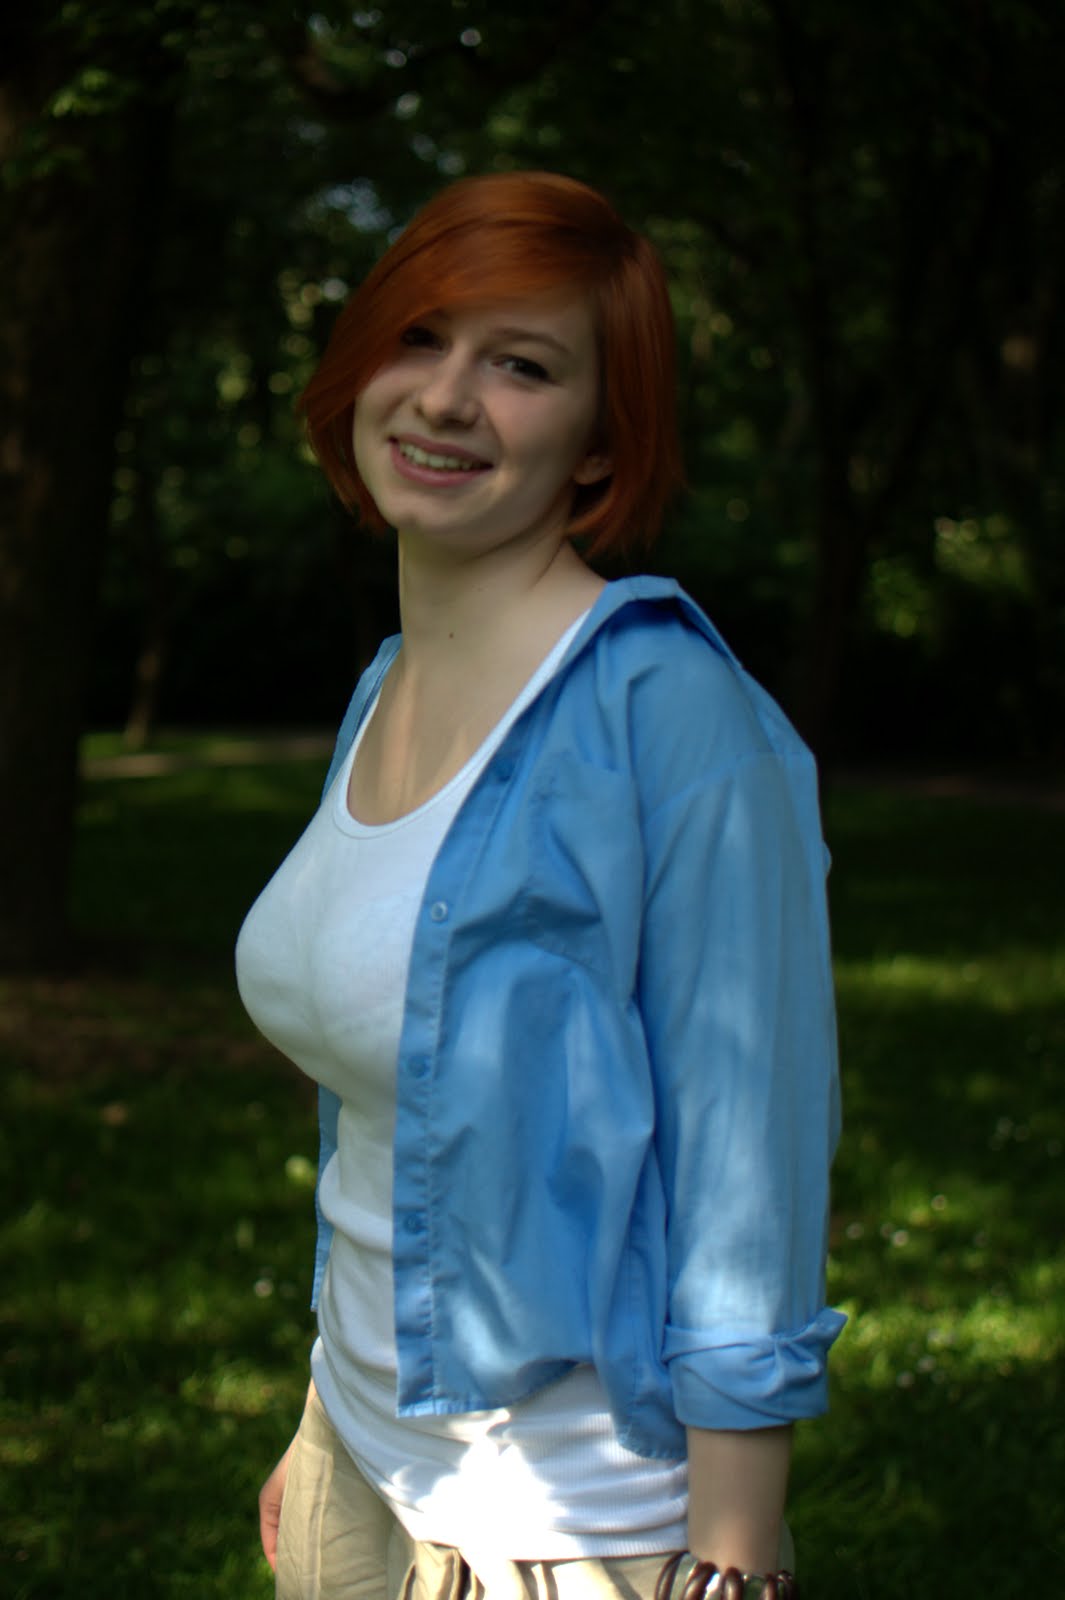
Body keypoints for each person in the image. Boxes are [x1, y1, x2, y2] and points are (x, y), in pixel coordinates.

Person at [236, 171, 844, 1600]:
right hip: (358, 1461)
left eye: (522, 366)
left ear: (599, 441)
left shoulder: (670, 713)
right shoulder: (388, 684)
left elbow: (747, 1155)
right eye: (420, 338)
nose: (449, 398)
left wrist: (729, 1558)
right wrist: (329, 1423)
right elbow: (391, 1124)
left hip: (574, 1525)